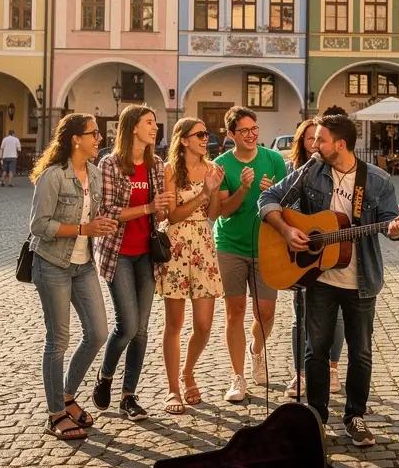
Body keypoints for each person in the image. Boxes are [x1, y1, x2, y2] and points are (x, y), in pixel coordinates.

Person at [260, 113, 399, 447]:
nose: (315, 144)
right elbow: (267, 200)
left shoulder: (378, 181)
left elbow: (389, 222)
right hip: (318, 276)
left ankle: (355, 416)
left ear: (340, 144)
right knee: (316, 351)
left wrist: (395, 229)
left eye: (321, 139)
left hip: (362, 280)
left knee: (361, 352)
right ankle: (316, 418)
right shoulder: (311, 171)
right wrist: (286, 229)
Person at [29, 114, 118, 440]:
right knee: (58, 340)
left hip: (83, 266)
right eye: (94, 134)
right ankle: (55, 415)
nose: (99, 138)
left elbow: (93, 217)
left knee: (97, 332)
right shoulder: (53, 177)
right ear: (75, 139)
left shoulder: (94, 174)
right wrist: (83, 228)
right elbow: (39, 227)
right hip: (52, 264)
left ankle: (67, 395)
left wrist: (102, 224)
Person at [92, 105, 174, 419]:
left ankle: (129, 396)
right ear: (132, 127)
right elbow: (109, 212)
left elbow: (160, 213)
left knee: (141, 330)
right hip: (118, 252)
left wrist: (163, 209)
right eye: (149, 123)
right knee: (126, 325)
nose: (155, 128)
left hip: (146, 254)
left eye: (155, 123)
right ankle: (105, 375)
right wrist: (149, 207)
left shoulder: (156, 164)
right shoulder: (110, 164)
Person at [213, 106, 287, 403]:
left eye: (254, 129)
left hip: (267, 246)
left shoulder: (274, 159)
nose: (251, 135)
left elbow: (287, 204)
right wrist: (244, 188)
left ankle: (257, 350)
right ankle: (238, 376)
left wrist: (274, 193)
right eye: (244, 131)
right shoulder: (221, 165)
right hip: (231, 245)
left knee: (265, 313)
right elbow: (222, 211)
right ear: (231, 135)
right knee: (235, 313)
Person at [156, 117, 224, 413]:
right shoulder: (170, 171)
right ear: (183, 140)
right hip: (177, 246)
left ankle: (188, 370)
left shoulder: (212, 169)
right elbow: (172, 216)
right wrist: (204, 194)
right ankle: (174, 389)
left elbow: (215, 214)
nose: (205, 138)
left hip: (204, 245)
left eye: (206, 133)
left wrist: (216, 189)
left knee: (204, 325)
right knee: (175, 324)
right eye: (199, 134)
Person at [285, 119, 345, 400]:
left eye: (319, 139)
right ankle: (300, 374)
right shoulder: (293, 171)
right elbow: (281, 204)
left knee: (337, 318)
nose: (314, 144)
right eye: (310, 139)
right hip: (299, 254)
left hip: (330, 254)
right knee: (301, 317)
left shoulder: (333, 172)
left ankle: (332, 367)